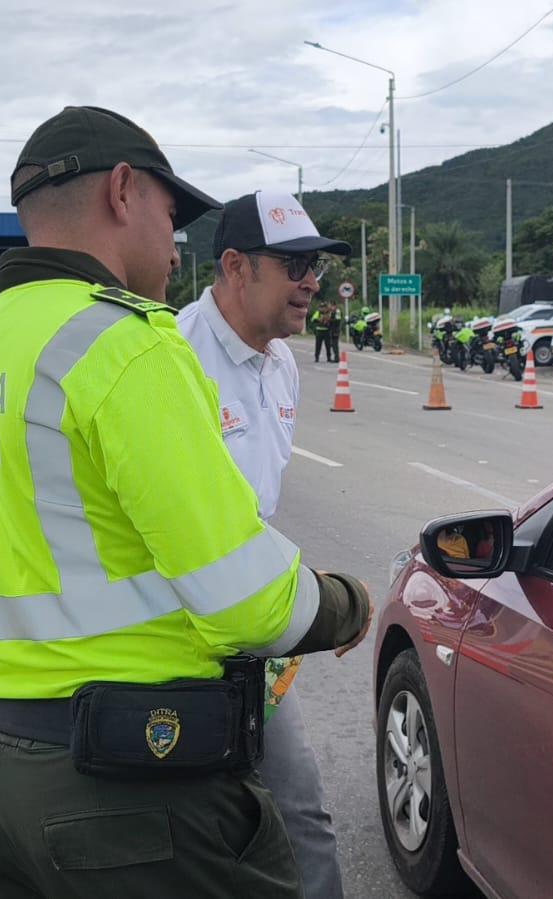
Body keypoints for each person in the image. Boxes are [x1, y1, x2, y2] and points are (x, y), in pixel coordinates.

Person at [0, 106, 373, 898]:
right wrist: (344, 605)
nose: (174, 238)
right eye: (169, 212)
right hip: (133, 787)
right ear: (123, 192)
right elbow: (248, 601)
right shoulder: (126, 341)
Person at [176, 191, 352, 897]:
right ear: (234, 266)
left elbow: (255, 513)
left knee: (300, 811)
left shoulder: (282, 364)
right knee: (194, 832)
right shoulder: (172, 357)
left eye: (314, 265)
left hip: (253, 633)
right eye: (294, 264)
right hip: (174, 644)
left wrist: (299, 606)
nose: (310, 280)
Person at [309, 291, 334, 363]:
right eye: (321, 307)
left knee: (328, 345)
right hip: (319, 331)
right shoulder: (318, 313)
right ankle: (317, 357)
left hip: (326, 331)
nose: (323, 309)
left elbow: (333, 321)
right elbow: (313, 319)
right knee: (318, 346)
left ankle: (329, 357)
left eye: (324, 307)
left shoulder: (329, 313)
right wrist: (319, 320)